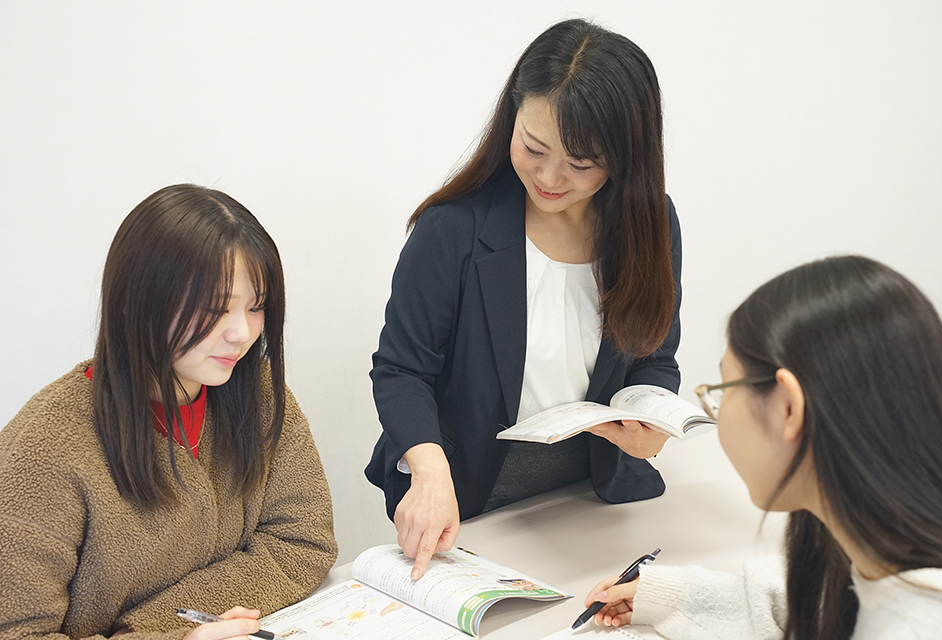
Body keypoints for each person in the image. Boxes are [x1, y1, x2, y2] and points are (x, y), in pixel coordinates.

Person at [366, 18, 683, 580]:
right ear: (511, 117)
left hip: (596, 493)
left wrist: (652, 419)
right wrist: (427, 467)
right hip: (473, 496)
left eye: (581, 164)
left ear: (625, 158)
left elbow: (655, 357)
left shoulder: (651, 222)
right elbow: (400, 370)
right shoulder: (452, 230)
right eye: (533, 147)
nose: (550, 177)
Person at [0, 185, 338, 639]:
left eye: (256, 306)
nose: (241, 333)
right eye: (216, 308)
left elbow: (303, 541)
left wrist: (167, 622)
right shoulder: (45, 448)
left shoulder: (258, 392)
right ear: (135, 303)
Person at [585, 255, 942, 639]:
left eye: (722, 390)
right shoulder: (877, 540)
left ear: (788, 407)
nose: (716, 412)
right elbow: (818, 600)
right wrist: (674, 596)